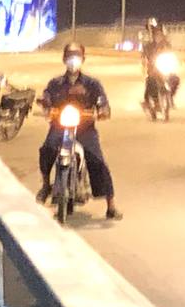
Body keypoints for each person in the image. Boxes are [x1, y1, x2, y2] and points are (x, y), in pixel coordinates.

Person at [37, 42, 122, 220]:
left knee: (97, 160)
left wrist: (102, 110)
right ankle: (46, 185)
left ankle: (111, 204)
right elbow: (46, 97)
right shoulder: (55, 84)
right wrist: (45, 104)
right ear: (64, 59)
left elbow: (102, 101)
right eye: (69, 56)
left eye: (76, 56)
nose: (73, 60)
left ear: (83, 59)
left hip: (85, 128)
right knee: (47, 149)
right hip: (60, 126)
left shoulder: (92, 84)